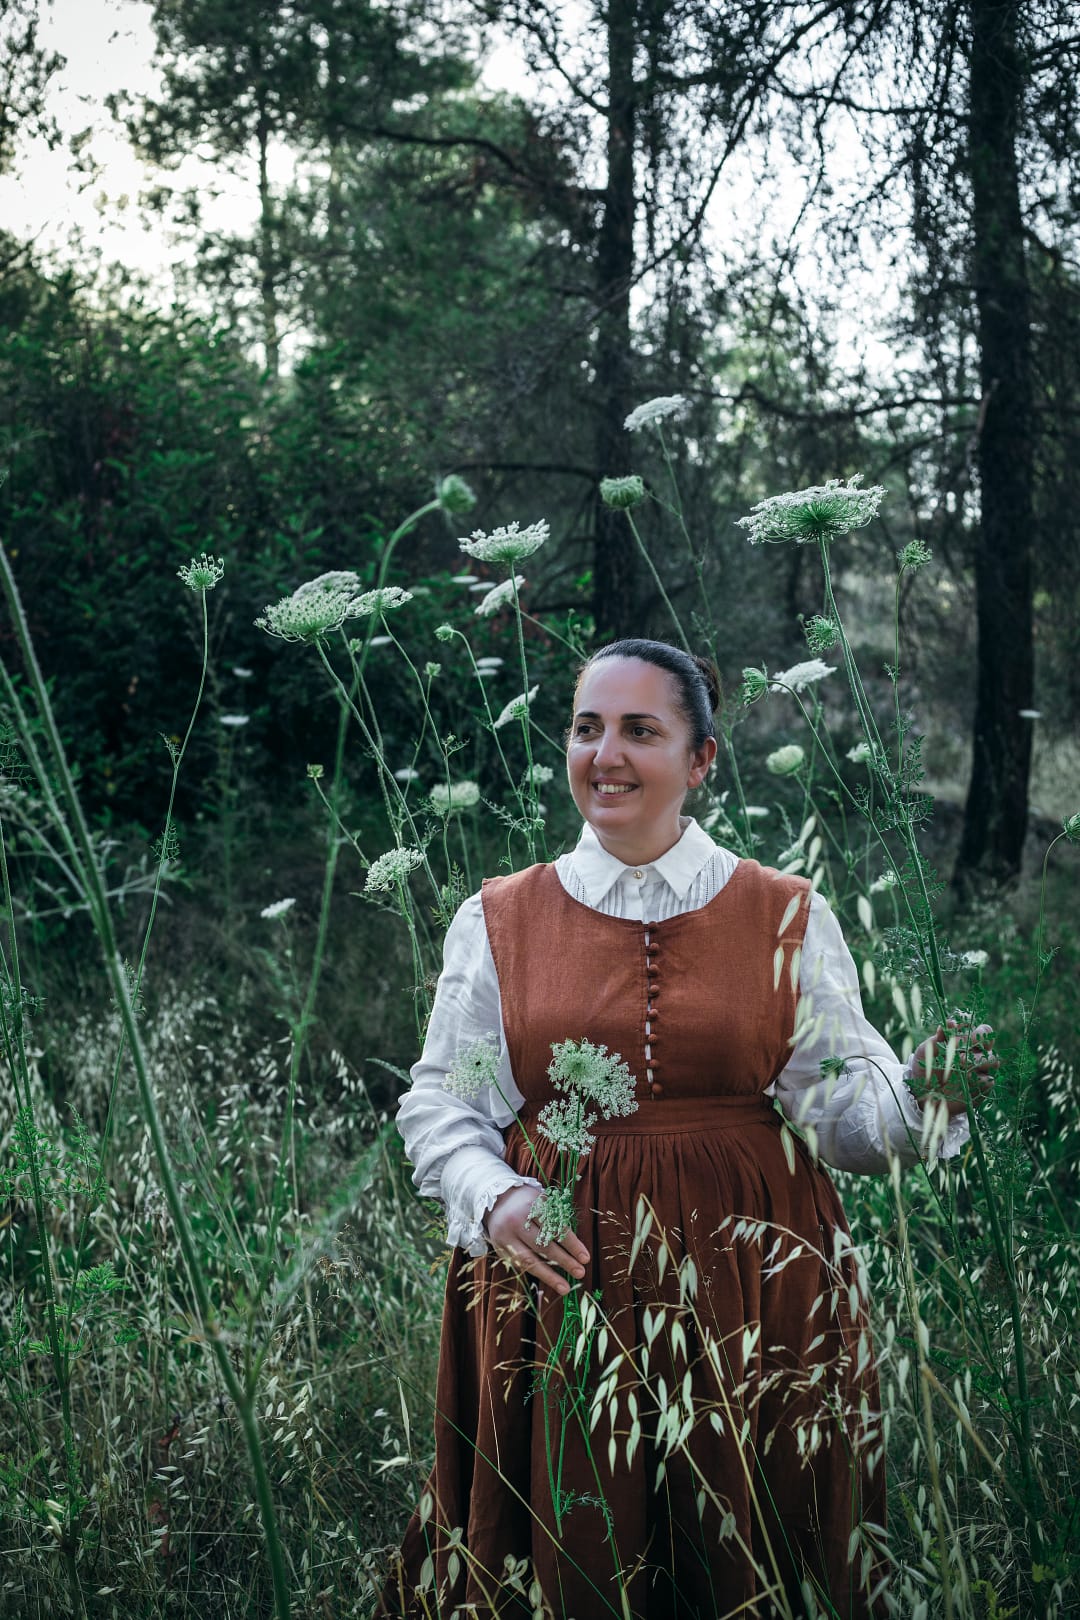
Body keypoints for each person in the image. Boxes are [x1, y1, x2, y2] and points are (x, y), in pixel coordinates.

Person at [381, 640, 995, 1620]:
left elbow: (842, 1113)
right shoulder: (496, 918)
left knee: (747, 1556)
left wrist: (926, 1097)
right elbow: (444, 1106)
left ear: (702, 760)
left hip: (757, 1292)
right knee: (572, 1553)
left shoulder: (787, 912)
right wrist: (496, 1199)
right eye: (586, 729)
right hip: (560, 1291)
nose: (604, 754)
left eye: (639, 730)